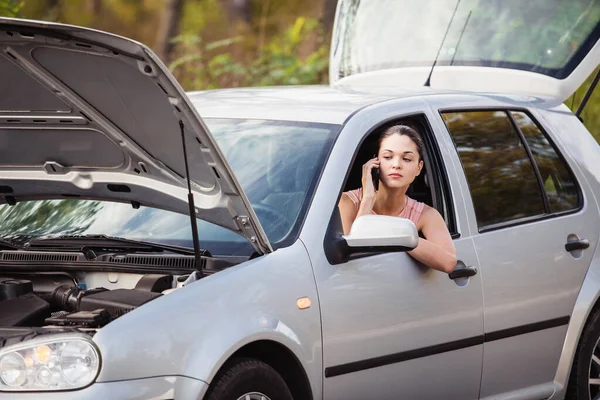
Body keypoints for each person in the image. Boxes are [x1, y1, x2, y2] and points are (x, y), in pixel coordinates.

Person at [338, 125, 457, 273]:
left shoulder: (425, 214)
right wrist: (368, 198)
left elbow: (449, 262)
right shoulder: (347, 202)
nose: (396, 165)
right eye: (388, 157)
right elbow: (352, 260)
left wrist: (399, 235)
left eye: (406, 159)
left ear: (419, 168)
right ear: (375, 162)